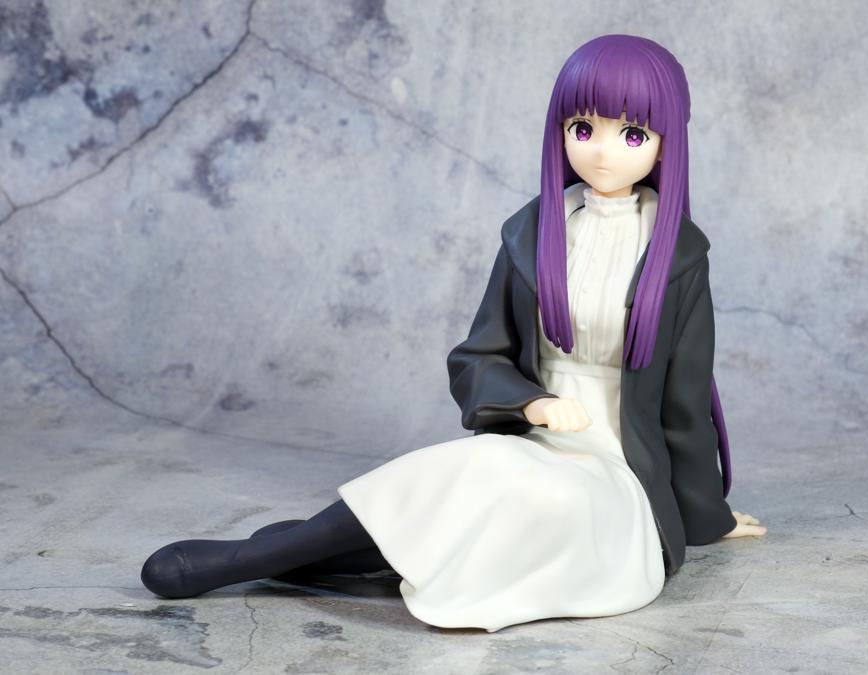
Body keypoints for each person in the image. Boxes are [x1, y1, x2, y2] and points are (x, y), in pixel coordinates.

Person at [141, 34, 766, 633]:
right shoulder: (534, 234)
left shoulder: (679, 257)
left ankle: (286, 553)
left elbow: (685, 406)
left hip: (617, 469)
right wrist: (532, 403)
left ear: (665, 145)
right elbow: (477, 357)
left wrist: (704, 515)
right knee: (472, 472)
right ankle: (260, 556)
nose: (602, 152)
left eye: (631, 134)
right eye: (583, 129)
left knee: (539, 502)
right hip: (533, 440)